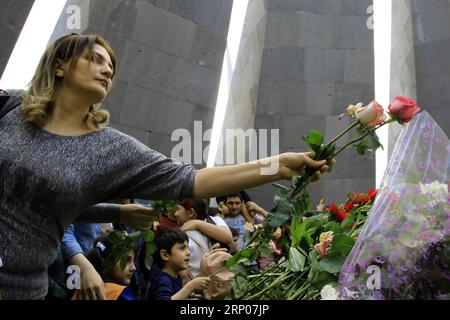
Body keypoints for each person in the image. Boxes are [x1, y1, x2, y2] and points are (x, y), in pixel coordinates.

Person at [0, 33, 331, 299]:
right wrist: (117, 212)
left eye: (111, 66)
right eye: (94, 59)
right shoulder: (12, 106)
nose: (107, 70)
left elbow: (190, 180)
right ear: (59, 66)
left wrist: (276, 165)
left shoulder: (109, 148)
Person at [71, 231, 138, 300]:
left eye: (133, 260)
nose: (134, 268)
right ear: (107, 262)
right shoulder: (123, 295)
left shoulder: (78, 290)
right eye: (126, 260)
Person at [147, 228, 210, 300]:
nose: (188, 252)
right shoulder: (162, 279)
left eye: (188, 248)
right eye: (182, 248)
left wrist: (188, 294)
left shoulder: (175, 276)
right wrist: (191, 286)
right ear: (165, 255)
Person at [175, 199, 232, 278]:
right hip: (218, 281)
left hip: (199, 285)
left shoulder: (215, 220)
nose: (175, 214)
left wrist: (196, 223)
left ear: (191, 212)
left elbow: (228, 237)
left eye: (178, 209)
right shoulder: (181, 234)